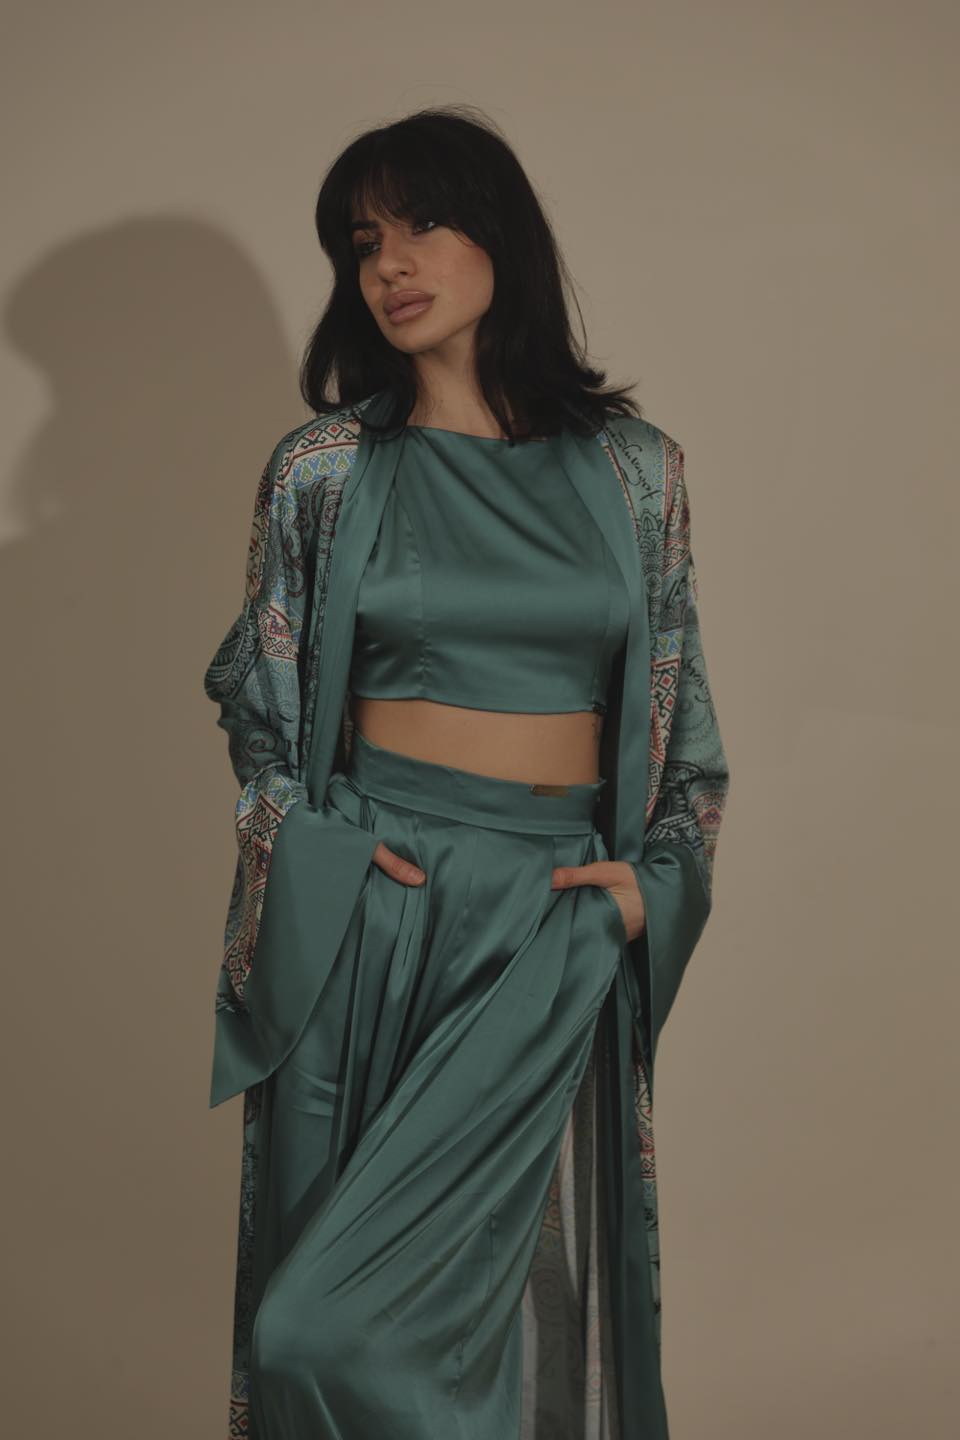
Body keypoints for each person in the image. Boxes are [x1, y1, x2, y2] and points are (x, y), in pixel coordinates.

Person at [203, 103, 730, 1440]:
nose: (390, 263)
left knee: (531, 1324)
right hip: (378, 908)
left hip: (551, 923)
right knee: (313, 1331)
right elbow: (260, 709)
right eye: (363, 240)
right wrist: (317, 852)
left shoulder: (637, 474)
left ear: (503, 237)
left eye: (423, 224)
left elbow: (685, 734)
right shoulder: (322, 473)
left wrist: (651, 891)